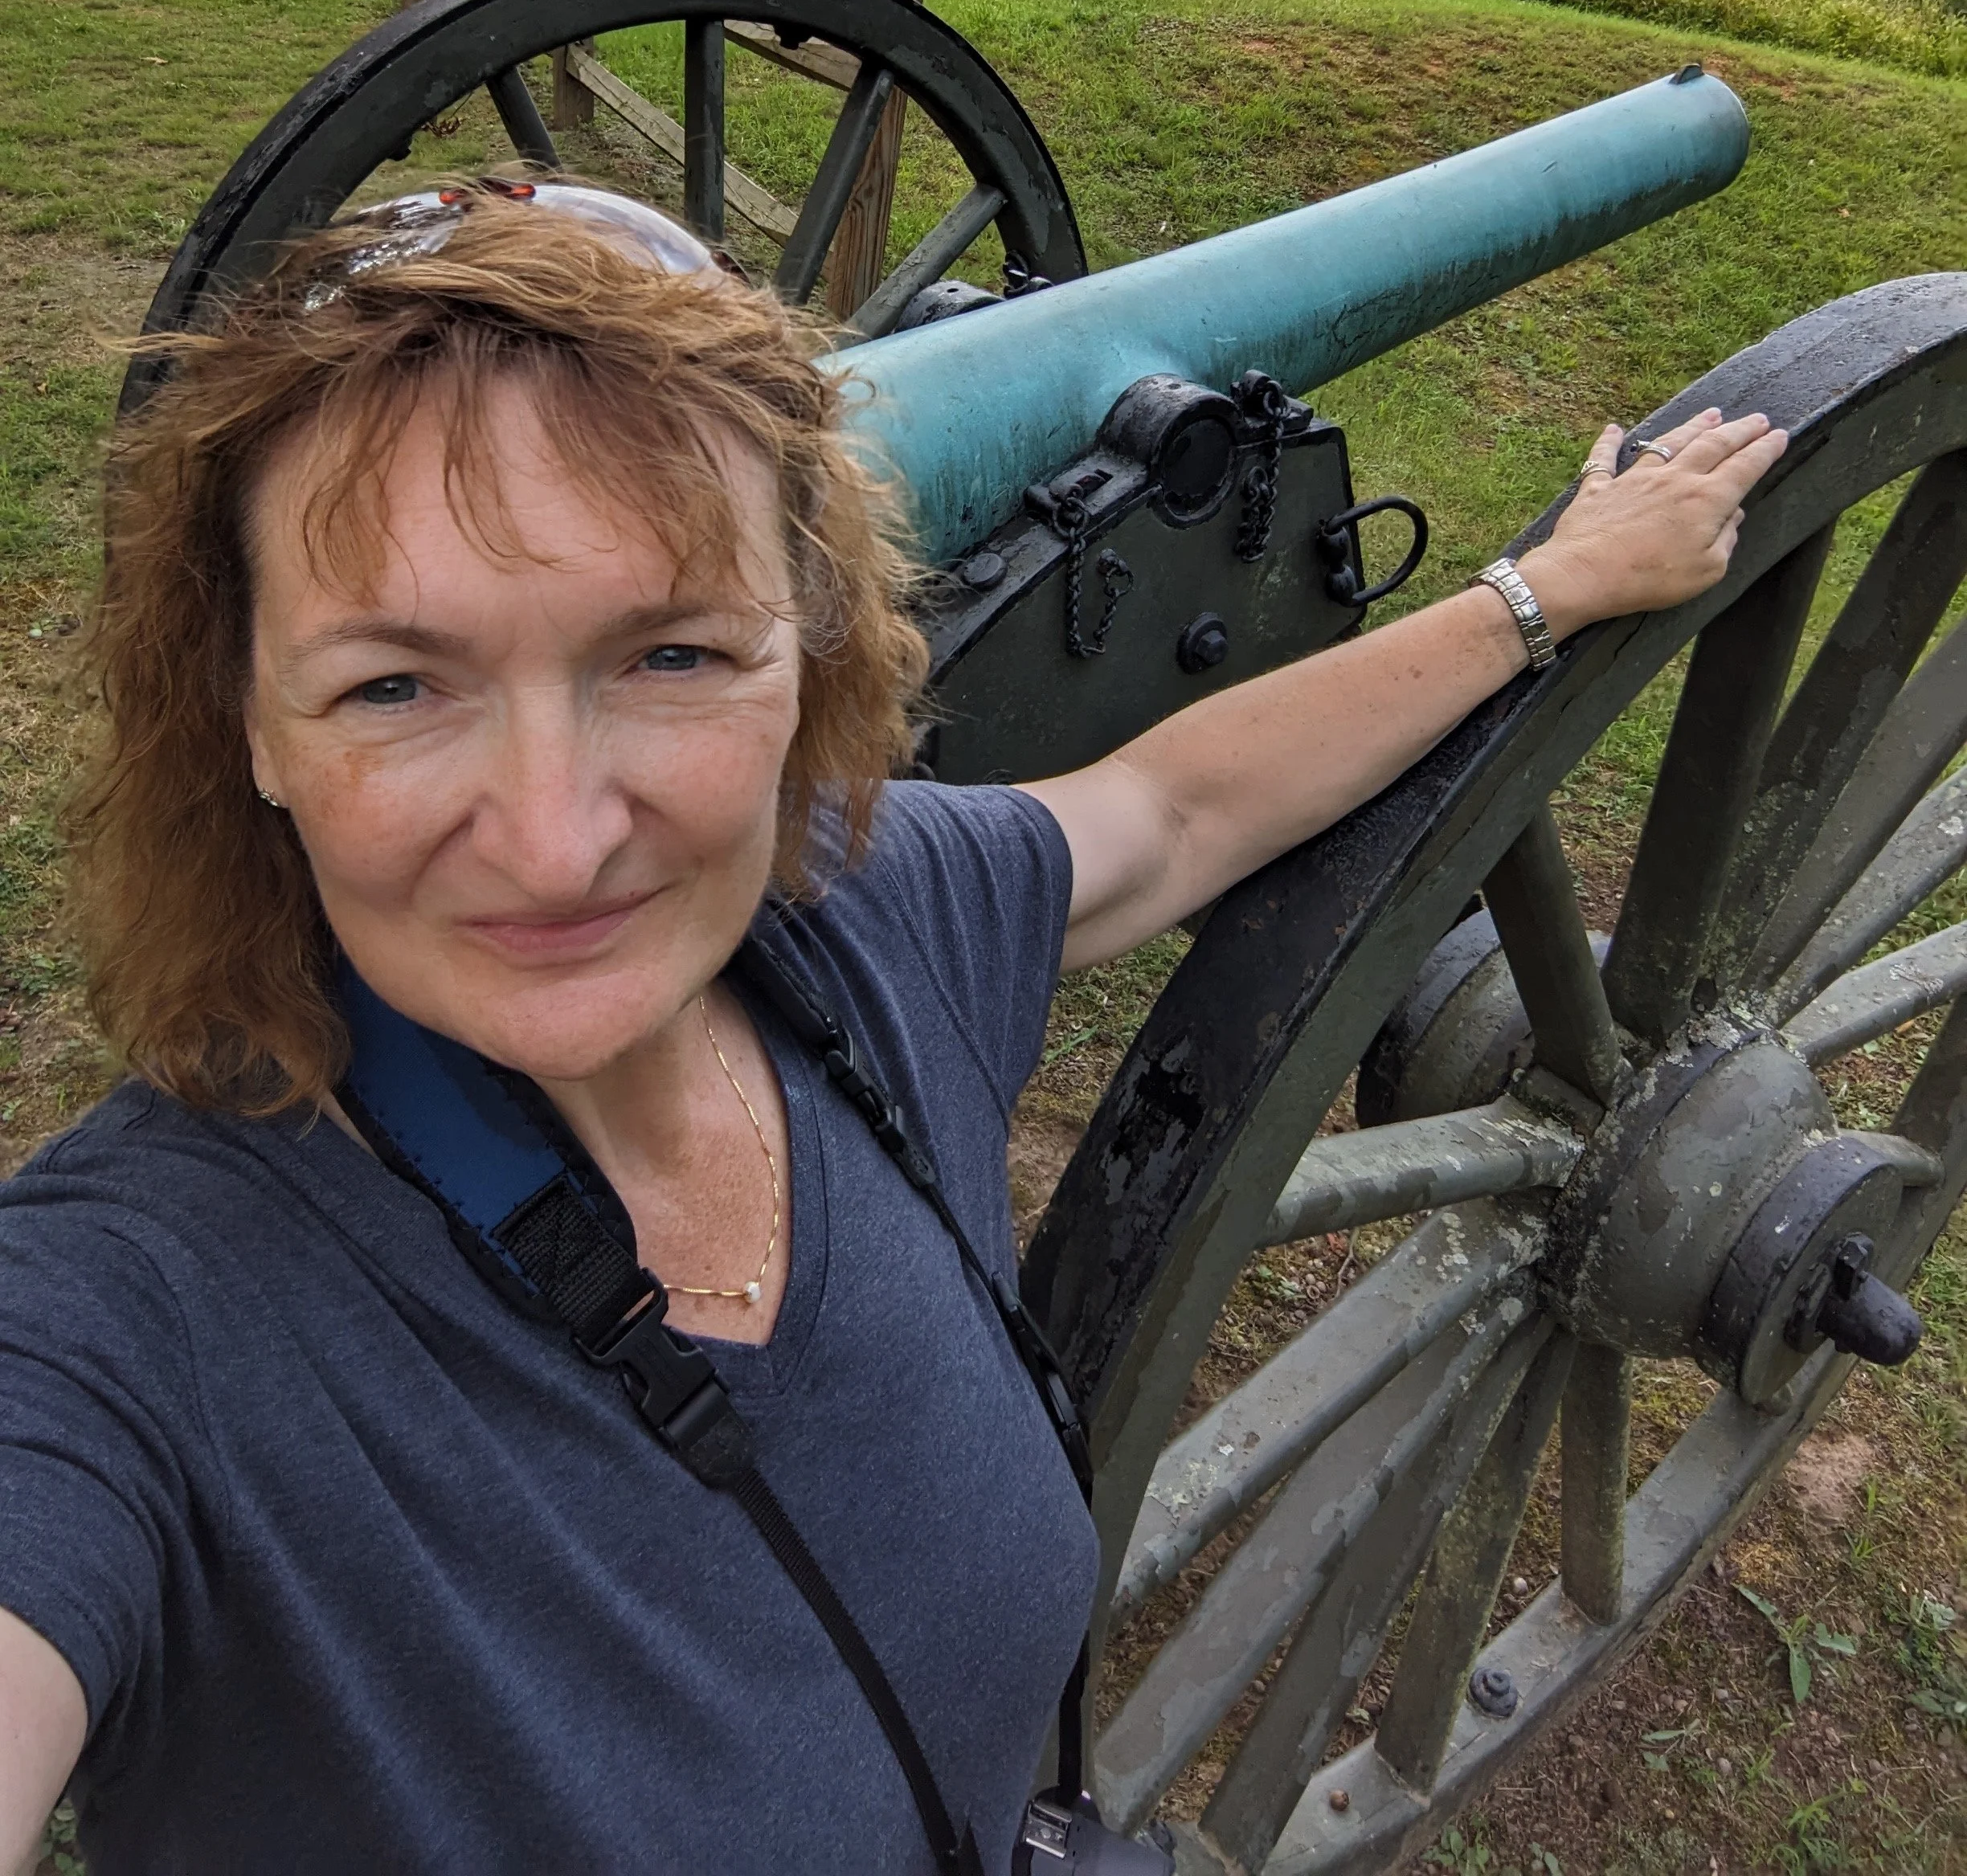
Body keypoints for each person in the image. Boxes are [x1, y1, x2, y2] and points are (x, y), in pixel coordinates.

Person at [0, 182, 1785, 1876]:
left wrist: (1541, 594)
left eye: (673, 656)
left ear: (812, 658)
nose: (552, 838)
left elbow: (1170, 812)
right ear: (246, 724)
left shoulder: (853, 923)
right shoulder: (129, 1319)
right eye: (396, 684)